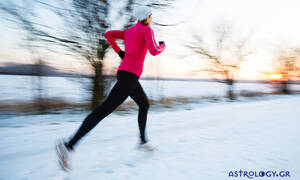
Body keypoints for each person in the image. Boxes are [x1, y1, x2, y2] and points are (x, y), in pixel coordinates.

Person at [55, 6, 166, 170]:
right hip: (129, 77)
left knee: (144, 104)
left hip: (126, 75)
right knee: (103, 110)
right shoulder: (146, 30)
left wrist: (120, 52)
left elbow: (108, 35)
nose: (152, 18)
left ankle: (142, 141)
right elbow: (155, 50)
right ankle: (69, 145)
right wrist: (163, 45)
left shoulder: (129, 31)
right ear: (147, 17)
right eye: (151, 15)